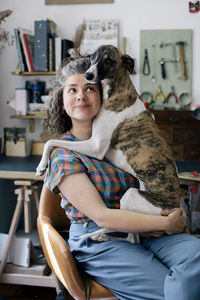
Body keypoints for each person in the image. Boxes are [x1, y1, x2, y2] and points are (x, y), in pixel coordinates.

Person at [44, 55, 200, 300]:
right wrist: (165, 224)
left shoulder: (120, 142)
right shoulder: (62, 155)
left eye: (89, 89)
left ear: (102, 96)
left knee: (197, 255)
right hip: (99, 241)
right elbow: (101, 216)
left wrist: (166, 216)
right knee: (167, 290)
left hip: (141, 230)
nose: (81, 96)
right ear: (63, 104)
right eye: (72, 90)